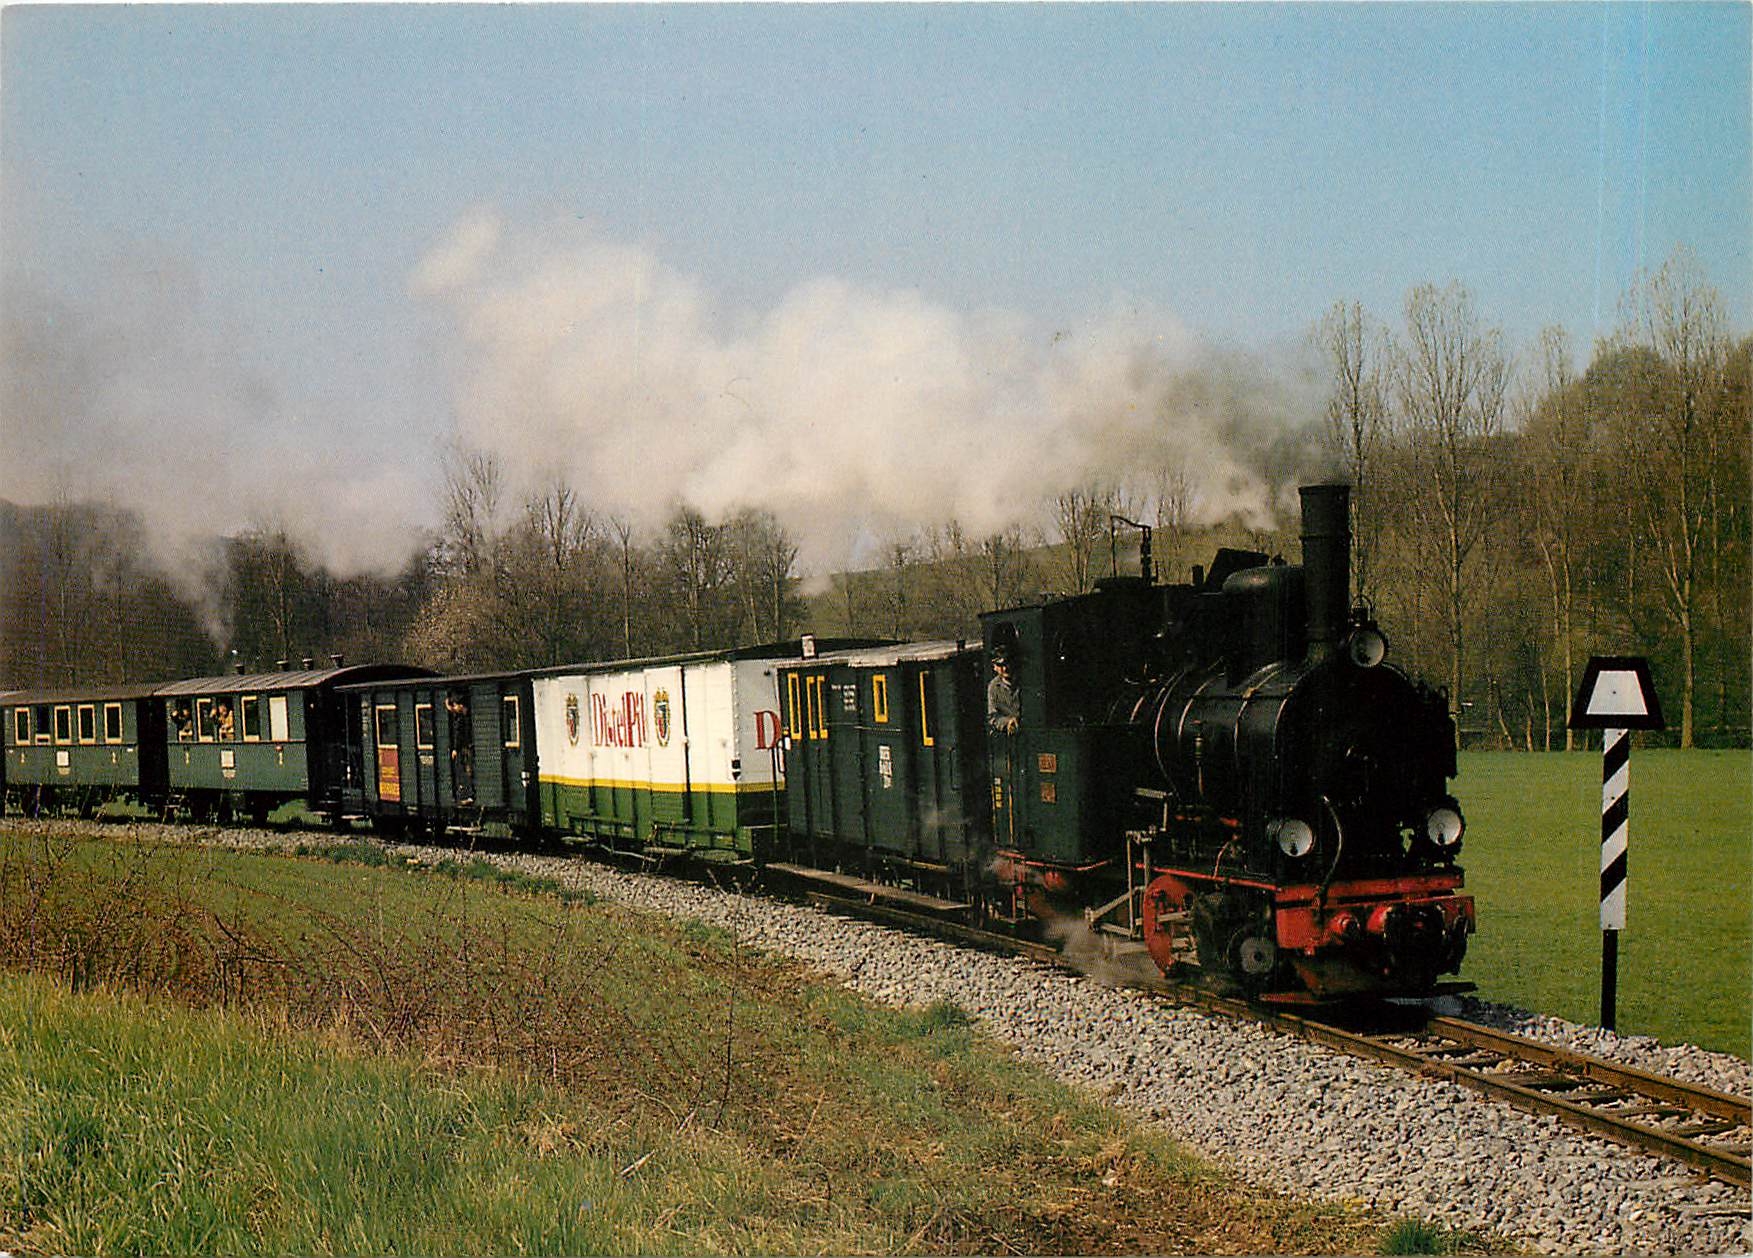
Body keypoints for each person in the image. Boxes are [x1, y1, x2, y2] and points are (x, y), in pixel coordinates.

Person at [987, 650, 1021, 735]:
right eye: (1000, 665)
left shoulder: (1024, 681)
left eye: (1007, 664)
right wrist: (1007, 722)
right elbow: (993, 717)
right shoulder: (993, 687)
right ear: (994, 667)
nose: (1005, 668)